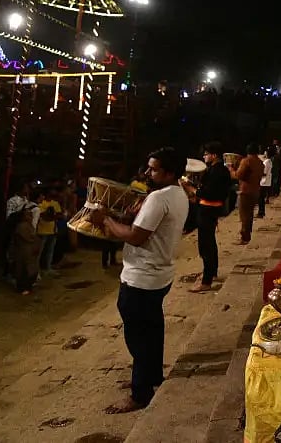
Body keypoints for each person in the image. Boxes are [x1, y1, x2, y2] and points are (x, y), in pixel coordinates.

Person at [90, 147, 188, 414]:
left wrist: (106, 219)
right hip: (160, 274)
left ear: (169, 172)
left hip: (141, 278)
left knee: (139, 338)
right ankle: (152, 376)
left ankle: (140, 393)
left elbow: (135, 236)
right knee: (153, 330)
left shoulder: (159, 198)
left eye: (154, 168)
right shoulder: (179, 194)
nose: (147, 172)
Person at [191, 143, 231, 293]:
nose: (204, 156)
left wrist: (193, 190)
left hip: (208, 210)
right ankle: (211, 272)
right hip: (210, 209)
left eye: (206, 154)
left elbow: (209, 192)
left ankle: (206, 281)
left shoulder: (217, 171)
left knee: (206, 245)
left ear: (214, 155)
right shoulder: (219, 170)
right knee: (209, 242)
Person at [234, 144, 264, 245]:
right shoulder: (260, 162)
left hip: (245, 191)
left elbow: (238, 175)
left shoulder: (246, 161)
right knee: (250, 214)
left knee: (244, 216)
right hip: (255, 190)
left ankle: (245, 237)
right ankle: (247, 235)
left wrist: (231, 169)